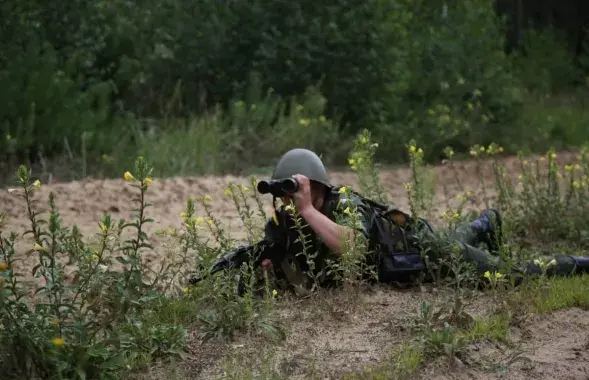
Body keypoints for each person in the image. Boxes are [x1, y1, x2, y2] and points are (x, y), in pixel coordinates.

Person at [251, 148, 589, 293]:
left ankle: (580, 263)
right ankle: (484, 223)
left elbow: (351, 248)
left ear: (319, 187)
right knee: (459, 238)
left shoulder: (345, 203)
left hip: (425, 251)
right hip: (406, 258)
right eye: (284, 196)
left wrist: (308, 210)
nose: (289, 202)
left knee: (510, 275)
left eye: (296, 193)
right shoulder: (287, 223)